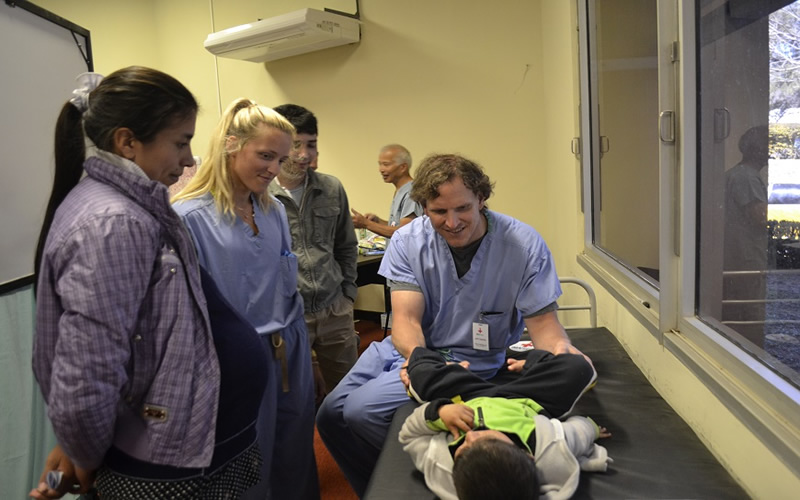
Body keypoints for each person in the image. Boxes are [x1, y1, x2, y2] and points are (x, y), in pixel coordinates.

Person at [30, 67, 268, 500]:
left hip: (187, 447)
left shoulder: (132, 208)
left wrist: (75, 446)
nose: (190, 160)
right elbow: (88, 368)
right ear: (127, 142)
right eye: (180, 142)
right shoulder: (115, 222)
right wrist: (82, 452)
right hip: (169, 462)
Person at [316, 153, 592, 496]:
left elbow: (545, 329)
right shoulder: (408, 242)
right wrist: (419, 362)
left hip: (468, 359)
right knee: (329, 415)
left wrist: (562, 353)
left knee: (360, 412)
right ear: (423, 208)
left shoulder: (522, 246)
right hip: (408, 347)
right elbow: (405, 321)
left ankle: (414, 480)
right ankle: (375, 485)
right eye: (439, 212)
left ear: (482, 199)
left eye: (463, 208)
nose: (453, 222)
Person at [172, 98, 319, 500]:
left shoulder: (271, 211)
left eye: (281, 159)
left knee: (295, 451)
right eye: (266, 156)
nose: (274, 169)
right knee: (246, 461)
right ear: (232, 145)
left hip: (290, 350)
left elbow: (285, 288)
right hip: (236, 360)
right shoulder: (189, 220)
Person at [399, 346, 611, 500]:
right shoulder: (549, 447)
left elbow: (409, 435)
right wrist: (591, 429)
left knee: (420, 366)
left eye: (463, 449)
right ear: (528, 455)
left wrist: (440, 412)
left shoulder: (443, 467)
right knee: (578, 367)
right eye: (487, 438)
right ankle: (531, 363)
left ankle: (446, 365)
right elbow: (578, 433)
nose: (471, 435)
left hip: (465, 397)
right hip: (525, 399)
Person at [268, 104, 359, 402]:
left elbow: (346, 245)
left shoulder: (331, 188)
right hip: (289, 315)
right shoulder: (260, 194)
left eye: (312, 144)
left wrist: (348, 294)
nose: (304, 154)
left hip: (335, 310)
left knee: (349, 394)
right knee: (293, 399)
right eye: (296, 145)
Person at [723, 125, 769, 346]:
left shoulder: (738, 174)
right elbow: (761, 216)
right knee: (750, 315)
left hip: (740, 257)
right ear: (760, 149)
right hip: (746, 259)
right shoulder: (746, 177)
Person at [351, 144, 423, 238]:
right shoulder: (400, 191)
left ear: (403, 167)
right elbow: (395, 226)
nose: (381, 169)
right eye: (380, 164)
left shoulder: (410, 193)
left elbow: (404, 233)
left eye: (386, 164)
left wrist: (366, 224)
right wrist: (378, 222)